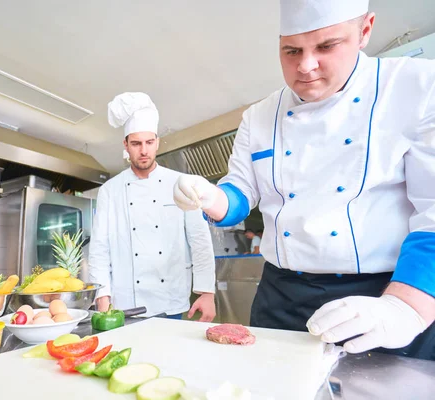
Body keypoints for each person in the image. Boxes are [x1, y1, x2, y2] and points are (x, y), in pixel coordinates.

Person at [173, 0, 435, 360]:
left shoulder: (417, 86)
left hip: (385, 295)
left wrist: (407, 307)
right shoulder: (259, 115)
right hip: (282, 295)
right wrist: (210, 197)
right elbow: (240, 194)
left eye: (326, 46)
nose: (306, 66)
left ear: (366, 30)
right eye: (291, 50)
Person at [88, 92, 216, 321]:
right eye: (136, 143)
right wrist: (102, 295)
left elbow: (199, 239)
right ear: (125, 145)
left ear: (157, 142)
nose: (144, 151)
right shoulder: (110, 190)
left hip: (171, 300)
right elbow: (99, 247)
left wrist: (207, 292)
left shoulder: (182, 182)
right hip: (125, 302)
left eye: (149, 142)